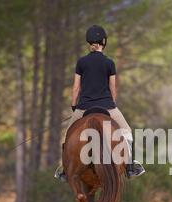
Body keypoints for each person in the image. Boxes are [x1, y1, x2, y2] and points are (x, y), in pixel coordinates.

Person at [54, 25, 145, 182]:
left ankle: (64, 170)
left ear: (89, 42)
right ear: (104, 42)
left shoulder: (81, 62)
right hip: (107, 107)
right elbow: (113, 89)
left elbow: (76, 88)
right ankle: (130, 167)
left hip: (83, 107)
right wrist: (112, 105)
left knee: (68, 137)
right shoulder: (109, 63)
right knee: (127, 133)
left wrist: (75, 107)